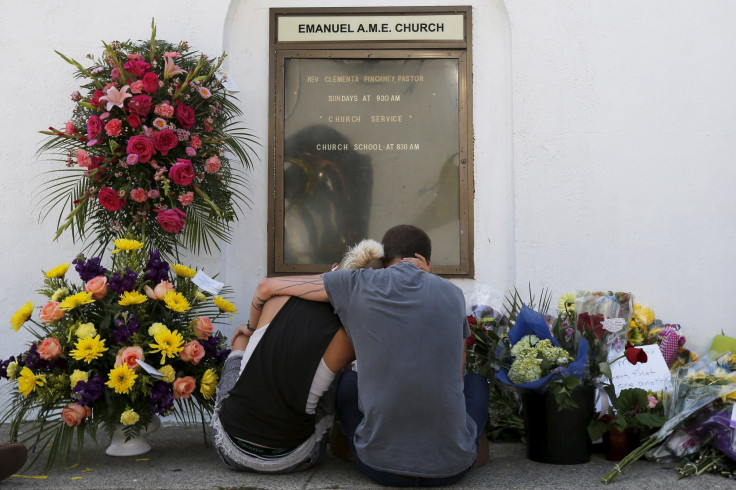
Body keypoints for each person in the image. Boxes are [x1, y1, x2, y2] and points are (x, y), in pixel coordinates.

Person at [250, 224, 489, 486]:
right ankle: (468, 448)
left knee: (349, 382)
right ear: (427, 262)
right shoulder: (453, 294)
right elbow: (460, 374)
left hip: (380, 466)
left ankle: (348, 442)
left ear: (385, 261)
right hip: (451, 469)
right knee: (477, 383)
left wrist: (250, 329)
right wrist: (430, 279)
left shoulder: (357, 283)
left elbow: (267, 286)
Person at [210, 239, 383, 473]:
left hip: (231, 449)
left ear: (333, 270)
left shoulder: (277, 298)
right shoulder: (347, 338)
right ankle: (337, 438)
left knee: (242, 341)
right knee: (341, 379)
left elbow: (264, 289)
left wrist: (250, 329)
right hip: (290, 458)